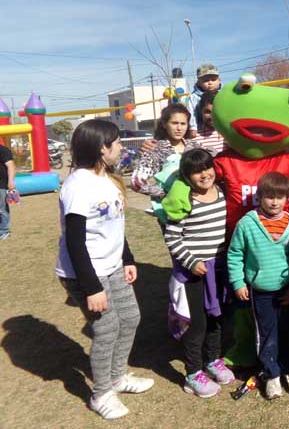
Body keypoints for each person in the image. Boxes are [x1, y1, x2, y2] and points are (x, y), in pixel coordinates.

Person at [55, 120, 153, 420]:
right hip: (87, 273)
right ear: (102, 148)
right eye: (117, 142)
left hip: (112, 266)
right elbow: (75, 242)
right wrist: (91, 288)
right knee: (106, 329)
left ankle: (117, 377)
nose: (121, 147)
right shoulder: (78, 186)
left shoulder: (107, 179)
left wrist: (127, 258)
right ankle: (101, 394)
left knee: (131, 318)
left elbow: (114, 225)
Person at [162, 149, 234, 398]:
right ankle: (193, 373)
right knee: (197, 323)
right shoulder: (186, 200)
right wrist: (191, 261)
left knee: (216, 317)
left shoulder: (222, 193)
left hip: (218, 267)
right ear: (187, 176)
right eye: (196, 171)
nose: (204, 174)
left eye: (207, 167)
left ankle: (213, 360)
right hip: (194, 271)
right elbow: (172, 236)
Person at [227, 172, 289, 400]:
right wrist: (238, 281)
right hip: (260, 292)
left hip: (287, 290)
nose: (274, 202)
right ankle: (271, 374)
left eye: (280, 197)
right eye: (269, 196)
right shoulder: (247, 223)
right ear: (259, 197)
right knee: (267, 334)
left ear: (286, 199)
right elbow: (235, 254)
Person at [131, 103, 200, 200]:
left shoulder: (195, 147)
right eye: (174, 123)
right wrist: (165, 194)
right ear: (164, 124)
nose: (179, 128)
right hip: (170, 209)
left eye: (183, 124)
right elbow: (137, 182)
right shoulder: (155, 150)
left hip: (198, 203)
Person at [187, 63, 222, 137]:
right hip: (200, 127)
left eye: (213, 80)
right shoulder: (194, 97)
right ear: (199, 82)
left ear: (219, 81)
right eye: (205, 81)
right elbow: (192, 112)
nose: (210, 83)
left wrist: (222, 127)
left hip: (217, 127)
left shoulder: (222, 95)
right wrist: (193, 127)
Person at [191, 91, 225, 156]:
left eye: (216, 111)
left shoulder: (227, 133)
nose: (212, 116)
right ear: (201, 111)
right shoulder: (194, 135)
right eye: (207, 112)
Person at [0, 141, 16, 240]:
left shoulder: (3, 150)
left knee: (1, 209)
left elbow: (10, 165)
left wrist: (11, 182)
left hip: (1, 184)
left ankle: (4, 231)